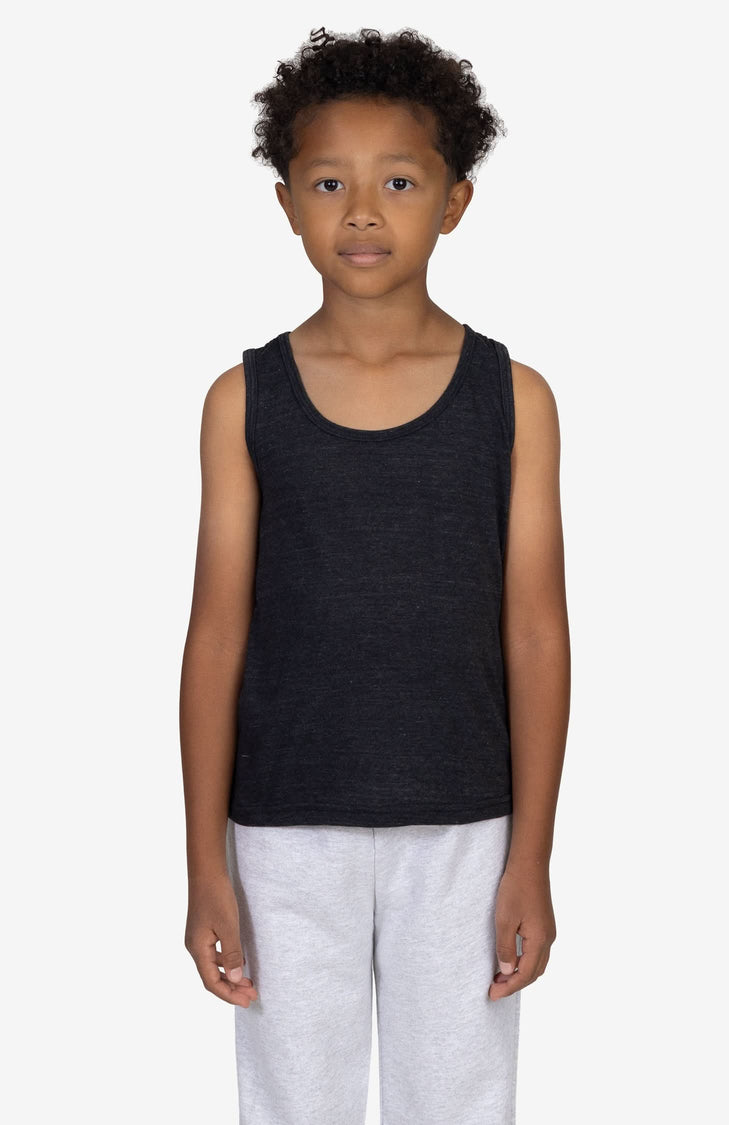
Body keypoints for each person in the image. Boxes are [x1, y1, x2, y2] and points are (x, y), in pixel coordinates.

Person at [180, 25, 570, 1125]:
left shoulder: (514, 399)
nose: (361, 212)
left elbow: (535, 633)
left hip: (465, 827)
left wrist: (531, 858)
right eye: (329, 183)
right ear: (287, 204)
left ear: (454, 201)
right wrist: (206, 862)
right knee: (293, 1107)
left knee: (459, 1105)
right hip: (283, 831)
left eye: (398, 181)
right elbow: (217, 636)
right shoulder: (243, 401)